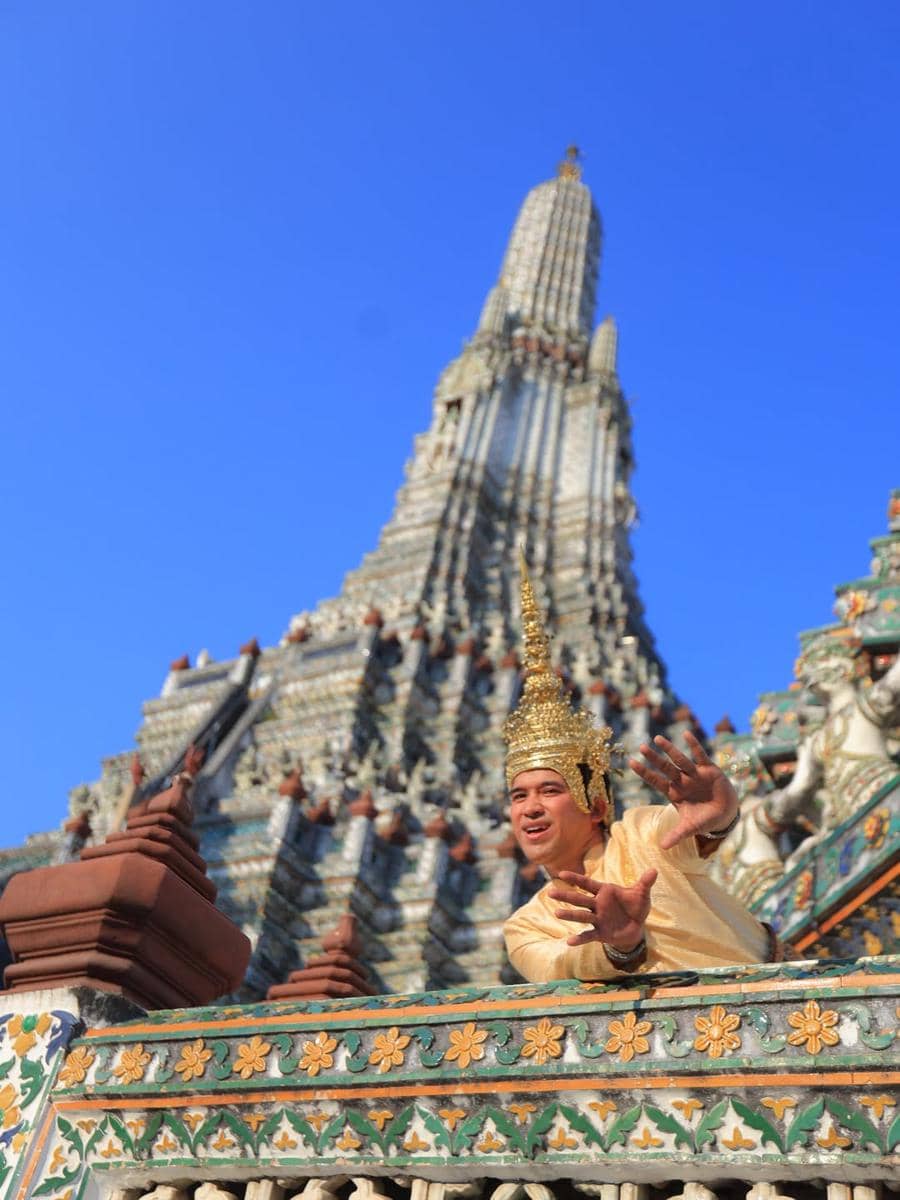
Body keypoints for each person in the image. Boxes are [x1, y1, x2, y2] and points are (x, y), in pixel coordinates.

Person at [502, 560, 778, 981]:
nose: (531, 808)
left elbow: (689, 830)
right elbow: (558, 968)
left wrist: (719, 813)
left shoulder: (640, 834)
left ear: (595, 806)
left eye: (549, 791)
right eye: (519, 796)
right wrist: (620, 943)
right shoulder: (526, 924)